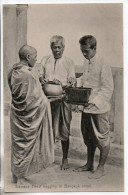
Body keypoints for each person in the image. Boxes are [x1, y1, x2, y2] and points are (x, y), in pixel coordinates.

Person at [8, 45, 54, 184]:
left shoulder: (13, 71)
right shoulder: (29, 74)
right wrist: (47, 101)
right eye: (35, 56)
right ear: (28, 57)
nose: (36, 59)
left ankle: (16, 174)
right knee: (25, 145)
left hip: (17, 115)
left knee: (18, 145)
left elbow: (18, 95)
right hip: (28, 118)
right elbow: (34, 100)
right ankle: (21, 177)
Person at [75, 35, 113, 179]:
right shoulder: (86, 62)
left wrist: (95, 101)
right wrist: (76, 80)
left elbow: (107, 89)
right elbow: (86, 80)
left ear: (94, 48)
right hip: (86, 107)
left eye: (86, 51)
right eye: (82, 51)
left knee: (102, 138)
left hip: (99, 108)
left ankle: (101, 168)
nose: (84, 54)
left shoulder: (103, 64)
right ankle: (89, 164)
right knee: (89, 137)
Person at [38, 35, 76, 170]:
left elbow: (72, 81)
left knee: (64, 129)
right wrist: (42, 80)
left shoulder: (69, 62)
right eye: (54, 47)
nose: (57, 50)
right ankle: (45, 158)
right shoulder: (45, 60)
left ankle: (65, 158)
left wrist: (65, 84)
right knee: (46, 128)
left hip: (63, 100)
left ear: (64, 48)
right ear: (51, 48)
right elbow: (40, 76)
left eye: (60, 47)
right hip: (48, 100)